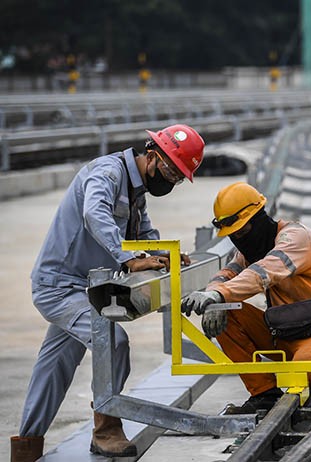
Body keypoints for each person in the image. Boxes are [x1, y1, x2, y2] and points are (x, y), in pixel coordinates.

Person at [10, 124, 205, 462]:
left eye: (178, 177)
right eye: (172, 171)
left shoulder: (137, 190)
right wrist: (129, 260)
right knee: (113, 343)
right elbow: (94, 213)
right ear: (153, 155)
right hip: (59, 287)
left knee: (54, 368)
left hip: (84, 289)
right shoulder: (108, 172)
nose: (172, 180)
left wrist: (163, 256)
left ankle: (26, 447)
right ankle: (106, 430)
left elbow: (143, 230)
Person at [181, 182, 311, 414]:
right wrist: (215, 295)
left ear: (258, 219)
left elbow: (264, 272)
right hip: (286, 333)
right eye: (233, 235)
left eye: (242, 231)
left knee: (306, 368)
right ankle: (264, 393)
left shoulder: (296, 238)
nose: (240, 239)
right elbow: (226, 274)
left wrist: (218, 294)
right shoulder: (251, 250)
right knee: (225, 310)